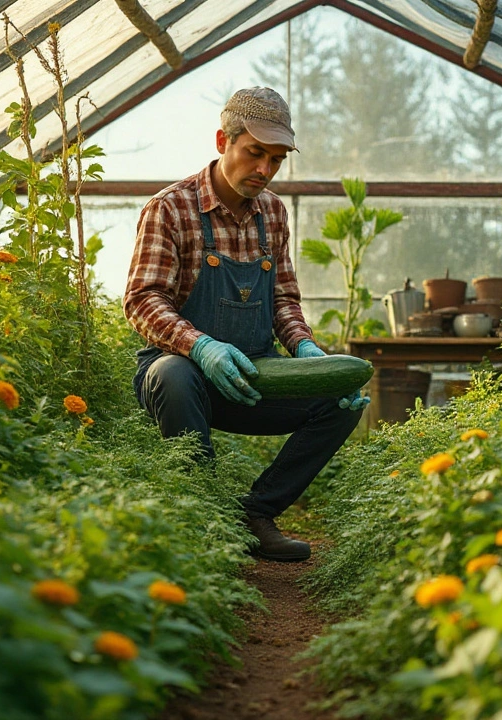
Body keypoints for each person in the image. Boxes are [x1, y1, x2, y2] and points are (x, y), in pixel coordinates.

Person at [124, 87, 369, 562]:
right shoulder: (170, 208)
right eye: (255, 153)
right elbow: (141, 299)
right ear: (223, 141)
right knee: (173, 376)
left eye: (275, 159)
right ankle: (202, 520)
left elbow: (282, 298)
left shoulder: (272, 213)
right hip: (183, 375)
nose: (264, 169)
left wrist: (304, 348)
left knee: (341, 401)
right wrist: (200, 347)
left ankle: (256, 515)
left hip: (254, 376)